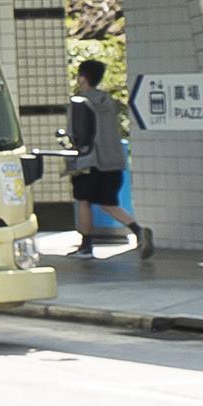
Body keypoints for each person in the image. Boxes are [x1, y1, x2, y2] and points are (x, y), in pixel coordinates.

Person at [66, 56, 151, 274]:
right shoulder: (108, 101)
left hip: (90, 160)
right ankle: (138, 230)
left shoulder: (79, 102)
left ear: (83, 78)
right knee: (107, 202)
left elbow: (76, 135)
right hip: (113, 160)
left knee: (83, 200)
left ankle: (86, 246)